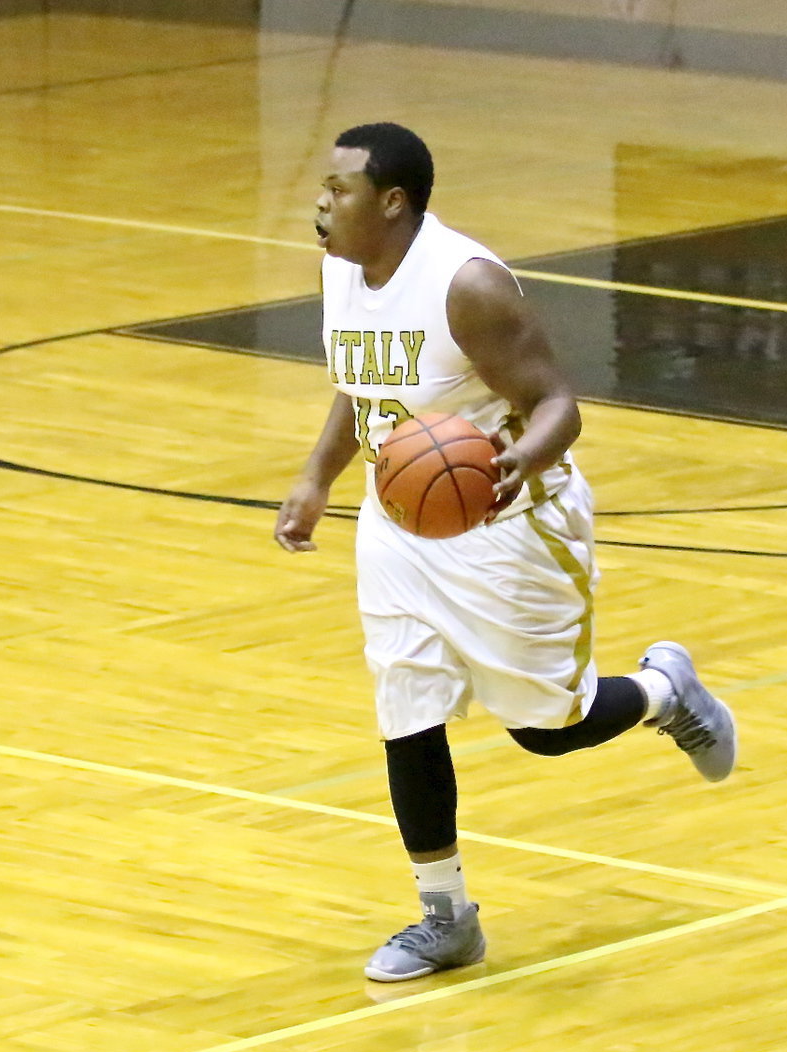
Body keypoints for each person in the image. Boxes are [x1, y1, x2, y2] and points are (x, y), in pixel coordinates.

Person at [275, 122, 736, 983]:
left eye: (338, 189)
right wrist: (318, 477)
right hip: (399, 518)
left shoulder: (468, 287)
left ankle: (665, 688)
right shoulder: (342, 269)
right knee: (405, 706)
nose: (320, 201)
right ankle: (445, 916)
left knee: (545, 729)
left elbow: (559, 399)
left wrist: (524, 457)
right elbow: (361, 380)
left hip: (504, 521)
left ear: (393, 203)